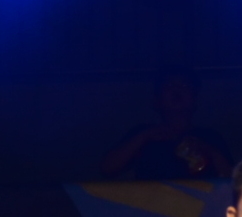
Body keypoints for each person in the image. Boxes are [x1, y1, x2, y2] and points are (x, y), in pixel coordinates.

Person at [100, 69, 234, 180]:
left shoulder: (210, 137)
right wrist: (143, 137)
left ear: (194, 100)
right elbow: (107, 168)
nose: (177, 91)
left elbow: (233, 181)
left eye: (184, 86)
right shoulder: (143, 134)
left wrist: (210, 152)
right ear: (157, 100)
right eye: (170, 86)